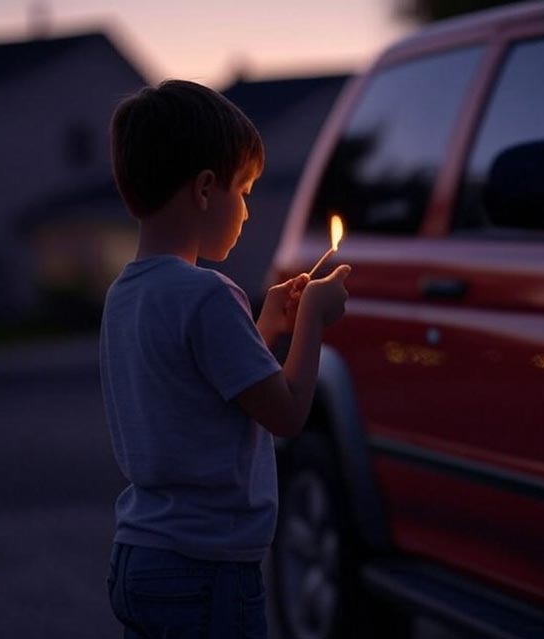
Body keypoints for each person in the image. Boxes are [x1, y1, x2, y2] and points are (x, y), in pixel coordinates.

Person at [99, 79, 350, 639]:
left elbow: (219, 391)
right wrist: (312, 318)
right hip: (205, 567)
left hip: (142, 555)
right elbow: (283, 413)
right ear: (206, 189)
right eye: (245, 190)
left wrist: (270, 325)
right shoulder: (208, 294)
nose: (248, 211)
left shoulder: (126, 294)